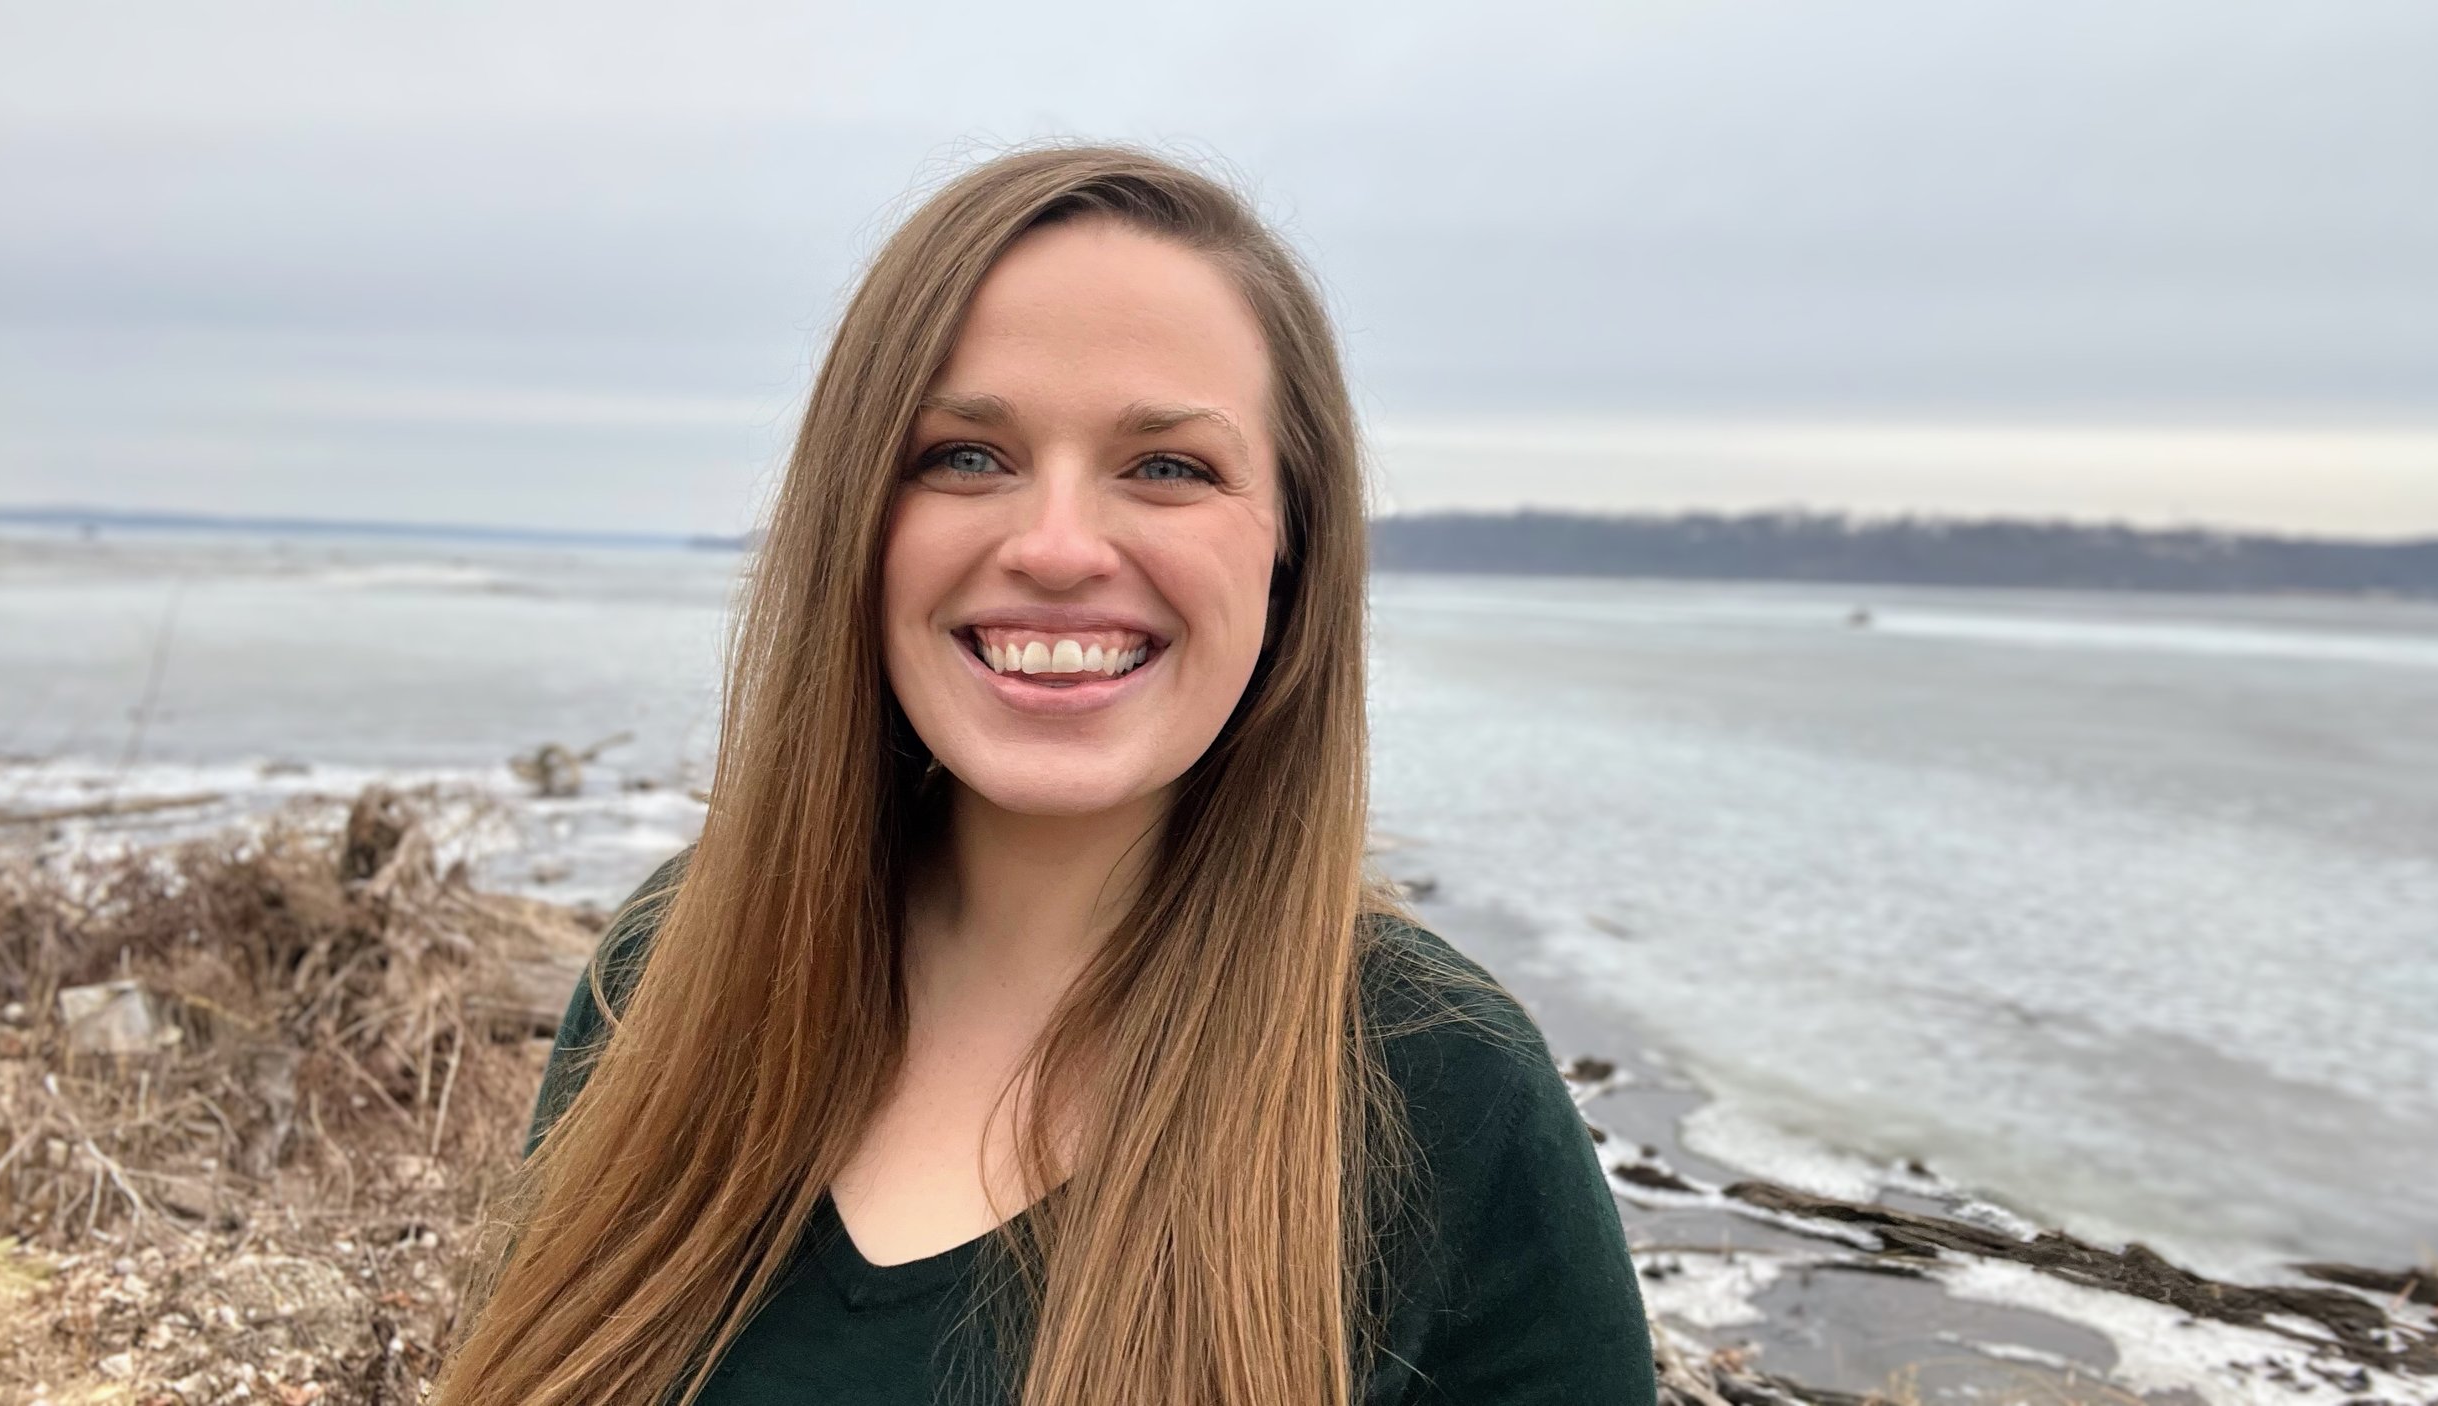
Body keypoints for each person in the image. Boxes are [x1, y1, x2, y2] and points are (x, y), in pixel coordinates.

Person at [432, 142, 1657, 1406]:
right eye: (966, 454)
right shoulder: (670, 965)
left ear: (1290, 543)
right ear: (856, 516)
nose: (1059, 548)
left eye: (1167, 466)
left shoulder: (1445, 1095)